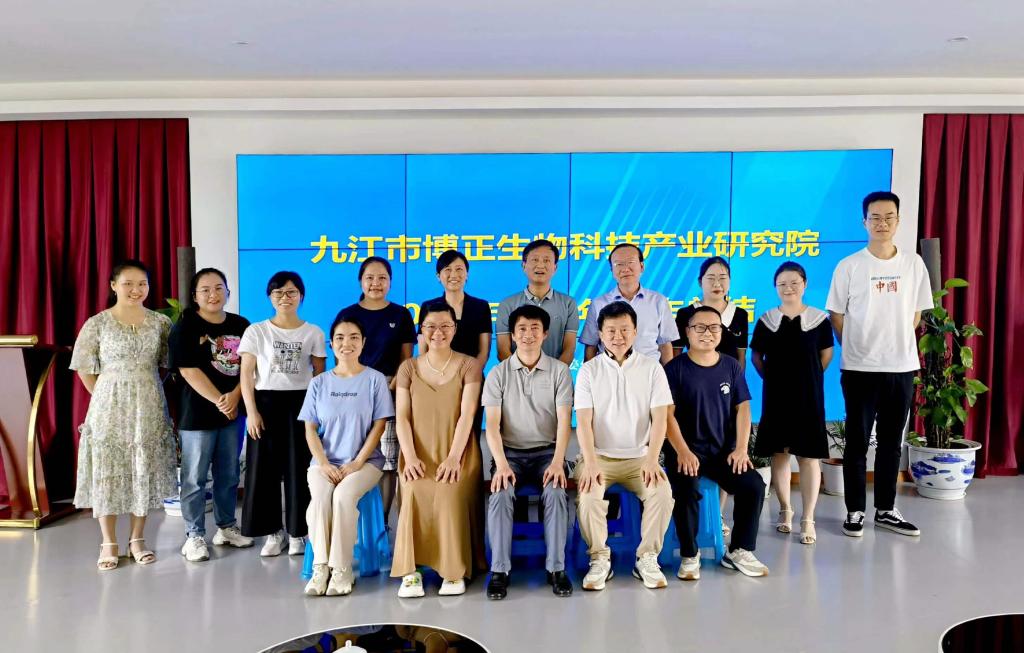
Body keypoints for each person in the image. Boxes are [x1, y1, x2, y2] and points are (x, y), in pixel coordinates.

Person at [826, 191, 933, 538]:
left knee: (891, 443)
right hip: (859, 369)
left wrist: (893, 344)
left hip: (901, 367)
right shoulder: (849, 266)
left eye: (889, 217)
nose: (882, 223)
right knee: (856, 443)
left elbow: (915, 314)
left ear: (898, 221)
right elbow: (836, 315)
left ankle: (886, 509)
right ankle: (855, 510)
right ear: (864, 222)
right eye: (875, 217)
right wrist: (858, 347)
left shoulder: (913, 264)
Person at [70, 259, 177, 570]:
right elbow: (83, 367)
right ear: (113, 286)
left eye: (142, 284)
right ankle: (108, 542)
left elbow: (168, 364)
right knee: (108, 470)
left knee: (142, 468)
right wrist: (104, 396)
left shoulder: (160, 323)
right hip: (107, 406)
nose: (136, 290)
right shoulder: (97, 323)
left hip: (148, 404)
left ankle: (137, 539)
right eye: (128, 283)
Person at [573, 301, 674, 591]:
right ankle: (599, 558)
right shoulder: (588, 370)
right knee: (589, 496)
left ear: (635, 331)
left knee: (662, 493)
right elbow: (584, 422)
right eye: (611, 331)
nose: (618, 336)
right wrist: (590, 463)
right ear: (600, 334)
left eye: (624, 330)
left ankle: (647, 558)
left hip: (640, 458)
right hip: (598, 457)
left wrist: (653, 459)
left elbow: (660, 419)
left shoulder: (652, 369)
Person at [663, 305, 769, 580]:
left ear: (721, 332)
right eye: (700, 327)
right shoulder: (674, 369)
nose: (707, 333)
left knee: (753, 485)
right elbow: (666, 416)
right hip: (685, 452)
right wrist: (682, 451)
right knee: (686, 490)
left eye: (714, 327)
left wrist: (741, 449)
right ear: (687, 332)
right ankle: (690, 554)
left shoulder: (731, 366)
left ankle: (739, 550)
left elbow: (743, 408)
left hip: (722, 452)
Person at [391, 300, 486, 598]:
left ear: (455, 329)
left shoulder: (469, 366)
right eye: (431, 326)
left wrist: (454, 458)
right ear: (421, 330)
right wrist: (410, 457)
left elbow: (468, 415)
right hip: (417, 453)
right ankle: (411, 571)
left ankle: (453, 570)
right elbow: (402, 418)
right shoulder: (408, 368)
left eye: (445, 325)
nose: (438, 332)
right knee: (413, 490)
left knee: (447, 493)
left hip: (459, 453)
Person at [482, 304, 574, 600]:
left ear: (545, 334)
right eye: (521, 329)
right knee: (500, 493)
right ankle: (499, 571)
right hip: (510, 455)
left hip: (548, 453)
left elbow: (564, 422)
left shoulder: (560, 371)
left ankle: (556, 569)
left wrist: (558, 462)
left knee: (557, 492)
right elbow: (492, 425)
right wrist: (501, 464)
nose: (528, 334)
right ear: (512, 335)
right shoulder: (497, 374)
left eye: (535, 328)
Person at [299, 315, 394, 596]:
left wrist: (357, 462)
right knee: (320, 499)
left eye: (354, 337)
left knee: (342, 496)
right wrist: (324, 464)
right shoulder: (319, 383)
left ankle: (341, 569)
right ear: (331, 344)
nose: (347, 343)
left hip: (366, 463)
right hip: (324, 462)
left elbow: (379, 426)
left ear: (363, 343)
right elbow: (310, 429)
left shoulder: (375, 380)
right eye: (340, 338)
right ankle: (321, 568)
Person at [239, 271, 327, 557]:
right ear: (270, 297)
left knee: (298, 469)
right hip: (264, 403)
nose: (285, 298)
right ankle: (273, 533)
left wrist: (316, 412)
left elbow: (319, 374)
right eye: (278, 293)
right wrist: (251, 412)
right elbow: (246, 374)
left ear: (301, 296)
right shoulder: (256, 331)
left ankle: (298, 532)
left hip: (300, 404)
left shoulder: (313, 332)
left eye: (291, 292)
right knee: (263, 470)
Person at [169, 268, 254, 563]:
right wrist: (220, 400)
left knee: (228, 474)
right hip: (197, 415)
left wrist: (235, 397)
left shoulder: (241, 325)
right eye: (205, 290)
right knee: (194, 478)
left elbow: (250, 368)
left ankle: (227, 527)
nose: (213, 294)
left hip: (233, 412)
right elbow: (187, 370)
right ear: (195, 296)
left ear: (228, 292)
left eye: (219, 288)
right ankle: (194, 535)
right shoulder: (186, 326)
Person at [750, 261, 834, 545]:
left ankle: (808, 518)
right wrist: (773, 379)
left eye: (794, 283)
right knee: (779, 454)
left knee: (808, 457)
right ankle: (785, 509)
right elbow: (756, 358)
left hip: (809, 396)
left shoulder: (819, 320)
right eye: (782, 284)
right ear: (775, 287)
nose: (788, 288)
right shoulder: (766, 320)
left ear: (804, 284)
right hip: (776, 396)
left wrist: (808, 378)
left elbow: (825, 356)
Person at [335, 256, 416, 526]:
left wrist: (388, 388)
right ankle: (354, 520)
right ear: (361, 280)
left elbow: (406, 359)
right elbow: (340, 359)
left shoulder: (401, 315)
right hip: (353, 392)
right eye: (369, 278)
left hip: (390, 391)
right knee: (354, 454)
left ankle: (381, 522)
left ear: (390, 282)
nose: (376, 283)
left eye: (382, 278)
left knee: (388, 460)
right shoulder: (347, 315)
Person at [673, 255, 750, 535]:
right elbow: (677, 356)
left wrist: (734, 391)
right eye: (711, 278)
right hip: (693, 394)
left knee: (727, 450)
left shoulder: (739, 315)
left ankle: (716, 515)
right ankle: (693, 525)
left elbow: (740, 358)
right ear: (700, 282)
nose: (717, 283)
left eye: (722, 278)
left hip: (725, 393)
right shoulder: (686, 314)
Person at [579, 243, 678, 364]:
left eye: (631, 262)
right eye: (619, 264)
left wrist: (668, 374)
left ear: (642, 266)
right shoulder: (598, 304)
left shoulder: (658, 301)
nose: (625, 269)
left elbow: (665, 344)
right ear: (612, 270)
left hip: (647, 371)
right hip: (608, 372)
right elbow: (591, 345)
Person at [496, 239, 578, 366]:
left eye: (546, 260)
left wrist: (553, 374)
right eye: (535, 260)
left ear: (555, 268)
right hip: (516, 376)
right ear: (524, 266)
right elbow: (503, 350)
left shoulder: (568, 304)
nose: (540, 265)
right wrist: (522, 374)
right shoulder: (507, 304)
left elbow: (569, 350)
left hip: (556, 376)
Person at [420, 249, 492, 368]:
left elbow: (484, 352)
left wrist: (470, 375)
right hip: (436, 375)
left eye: (459, 269)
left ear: (467, 274)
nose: (453, 275)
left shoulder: (481, 307)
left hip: (472, 375)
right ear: (438, 276)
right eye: (448, 269)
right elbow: (423, 351)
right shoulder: (428, 307)